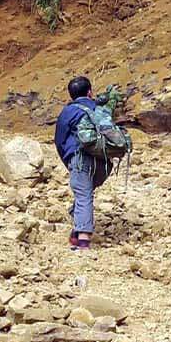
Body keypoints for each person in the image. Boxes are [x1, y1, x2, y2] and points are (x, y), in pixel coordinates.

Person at [54, 77, 114, 251]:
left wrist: (69, 161)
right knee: (85, 193)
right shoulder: (99, 108)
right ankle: (76, 230)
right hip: (103, 163)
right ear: (90, 92)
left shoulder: (68, 112)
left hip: (80, 159)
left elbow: (60, 141)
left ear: (71, 95)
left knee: (83, 195)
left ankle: (83, 241)